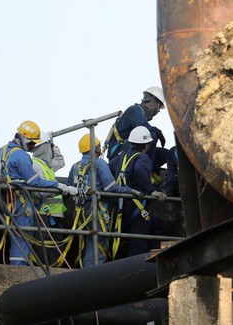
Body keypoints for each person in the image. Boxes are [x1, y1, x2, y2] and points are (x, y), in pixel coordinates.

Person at [0, 121, 77, 266]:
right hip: (21, 203)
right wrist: (60, 186)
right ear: (23, 138)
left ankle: (17, 270)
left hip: (8, 202)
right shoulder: (21, 156)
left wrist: (1, 182)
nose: (32, 148)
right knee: (23, 239)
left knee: (17, 238)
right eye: (31, 144)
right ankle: (19, 273)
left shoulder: (2, 151)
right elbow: (35, 182)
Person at [67, 133, 136, 266]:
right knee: (98, 244)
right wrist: (130, 190)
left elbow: (71, 187)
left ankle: (87, 272)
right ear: (95, 149)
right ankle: (92, 277)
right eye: (98, 146)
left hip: (81, 212)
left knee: (89, 242)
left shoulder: (75, 167)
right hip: (97, 212)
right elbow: (111, 187)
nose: (99, 148)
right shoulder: (99, 163)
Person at [109, 126, 167, 259]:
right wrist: (152, 191)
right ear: (146, 145)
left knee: (156, 225)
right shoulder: (142, 158)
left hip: (121, 206)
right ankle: (139, 269)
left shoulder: (122, 156)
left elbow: (110, 168)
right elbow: (140, 170)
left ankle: (153, 258)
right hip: (137, 207)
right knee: (137, 242)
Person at [105, 86, 168, 171]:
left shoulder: (139, 113)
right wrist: (157, 131)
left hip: (127, 151)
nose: (159, 110)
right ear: (150, 101)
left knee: (166, 154)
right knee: (151, 136)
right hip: (118, 155)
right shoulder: (134, 110)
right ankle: (146, 171)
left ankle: (153, 171)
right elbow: (143, 127)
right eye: (159, 106)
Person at [30, 132, 66, 265]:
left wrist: (53, 144)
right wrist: (58, 187)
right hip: (41, 214)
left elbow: (61, 162)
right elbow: (39, 190)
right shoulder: (35, 165)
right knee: (43, 247)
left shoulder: (47, 165)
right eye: (49, 147)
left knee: (55, 246)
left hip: (53, 215)